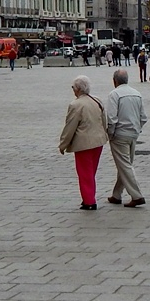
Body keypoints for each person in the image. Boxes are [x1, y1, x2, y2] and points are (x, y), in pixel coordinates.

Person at [58, 75, 109, 210]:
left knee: (84, 173)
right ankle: (89, 195)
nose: (73, 90)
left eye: (73, 88)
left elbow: (70, 126)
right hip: (98, 142)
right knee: (91, 172)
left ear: (78, 89)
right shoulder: (97, 100)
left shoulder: (76, 105)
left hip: (83, 144)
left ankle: (89, 201)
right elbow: (104, 120)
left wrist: (63, 144)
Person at [104, 69, 147, 207]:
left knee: (125, 165)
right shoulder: (137, 93)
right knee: (125, 164)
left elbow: (111, 118)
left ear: (114, 81)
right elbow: (143, 117)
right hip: (133, 133)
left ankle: (137, 195)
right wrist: (137, 128)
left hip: (120, 134)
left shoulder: (114, 94)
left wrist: (110, 134)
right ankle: (117, 194)